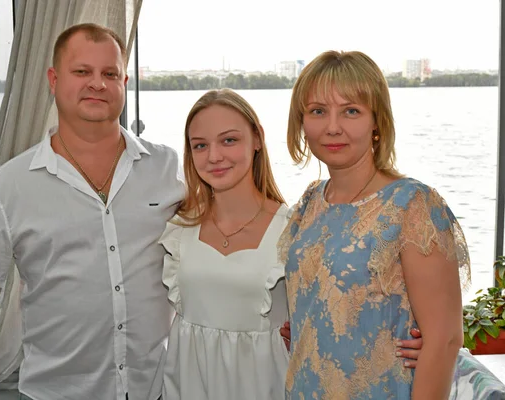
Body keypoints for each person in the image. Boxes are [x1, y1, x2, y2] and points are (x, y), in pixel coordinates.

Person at [0, 24, 184, 400]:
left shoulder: (168, 167)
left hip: (157, 390)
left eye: (109, 74)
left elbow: (220, 236)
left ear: (123, 82)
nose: (97, 83)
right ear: (53, 79)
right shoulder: (8, 186)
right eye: (82, 72)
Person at [159, 89, 424, 400]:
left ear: (257, 139)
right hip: (188, 384)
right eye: (200, 145)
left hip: (269, 385)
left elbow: (346, 305)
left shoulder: (298, 228)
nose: (214, 156)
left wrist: (412, 341)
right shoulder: (178, 227)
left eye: (229, 140)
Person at [279, 50, 471, 399]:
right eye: (318, 111)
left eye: (351, 111)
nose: (333, 126)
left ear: (377, 121)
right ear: (301, 122)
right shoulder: (310, 203)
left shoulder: (412, 206)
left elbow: (444, 340)